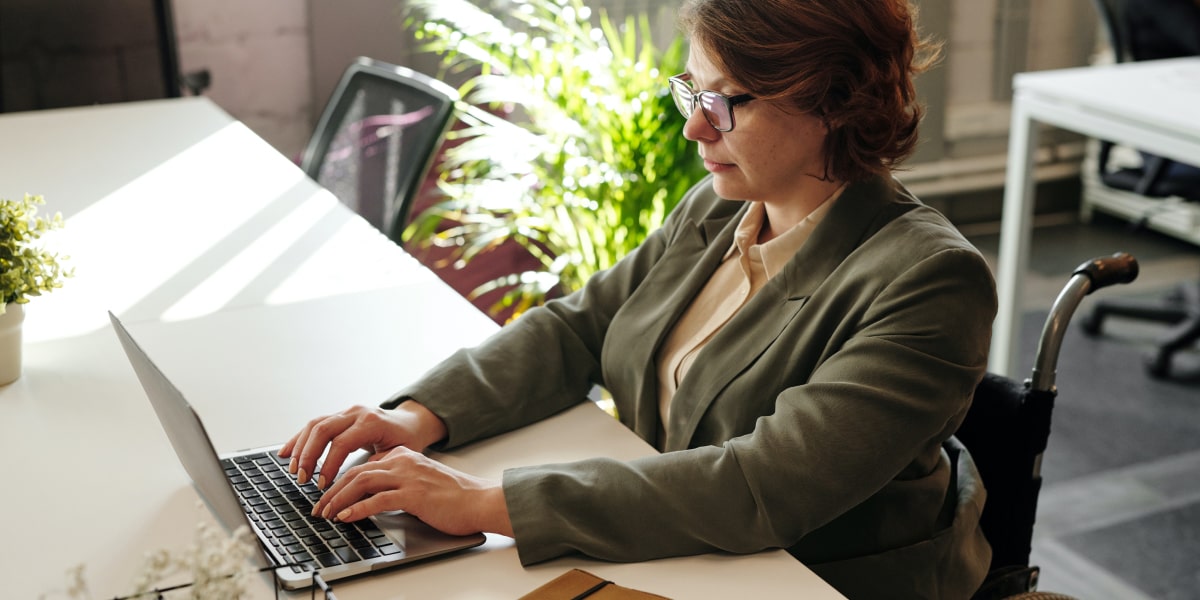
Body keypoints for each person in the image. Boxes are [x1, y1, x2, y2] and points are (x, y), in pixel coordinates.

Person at [280, 0, 998, 597]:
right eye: (694, 94)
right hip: (686, 558)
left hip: (816, 581)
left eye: (723, 104)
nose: (694, 128)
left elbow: (762, 486)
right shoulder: (720, 209)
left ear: (832, 103)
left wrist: (483, 502)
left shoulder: (928, 281)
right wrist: (414, 418)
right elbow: (580, 328)